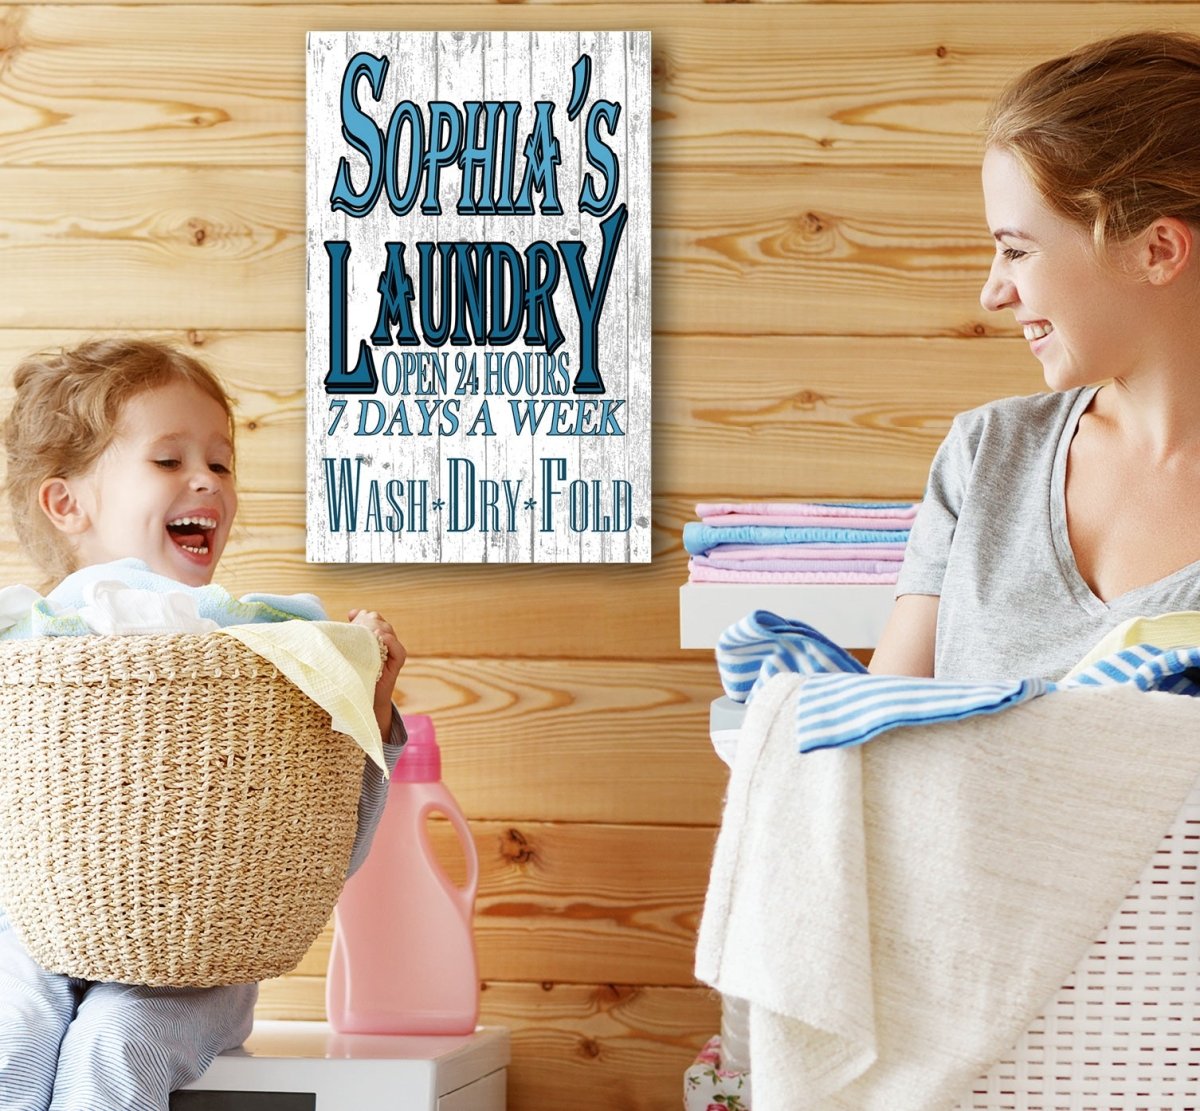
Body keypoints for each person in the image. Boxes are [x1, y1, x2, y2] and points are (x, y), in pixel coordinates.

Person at [0, 338, 407, 1110]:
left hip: (193, 961)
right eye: (168, 460)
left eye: (220, 464)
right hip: (31, 936)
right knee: (9, 1031)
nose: (206, 481)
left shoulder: (256, 659)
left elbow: (314, 853)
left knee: (114, 1046)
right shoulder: (29, 654)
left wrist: (371, 705)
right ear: (67, 503)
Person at [870, 30, 1200, 681]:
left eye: (1017, 250)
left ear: (1156, 249)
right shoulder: (986, 454)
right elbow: (876, 744)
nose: (993, 293)